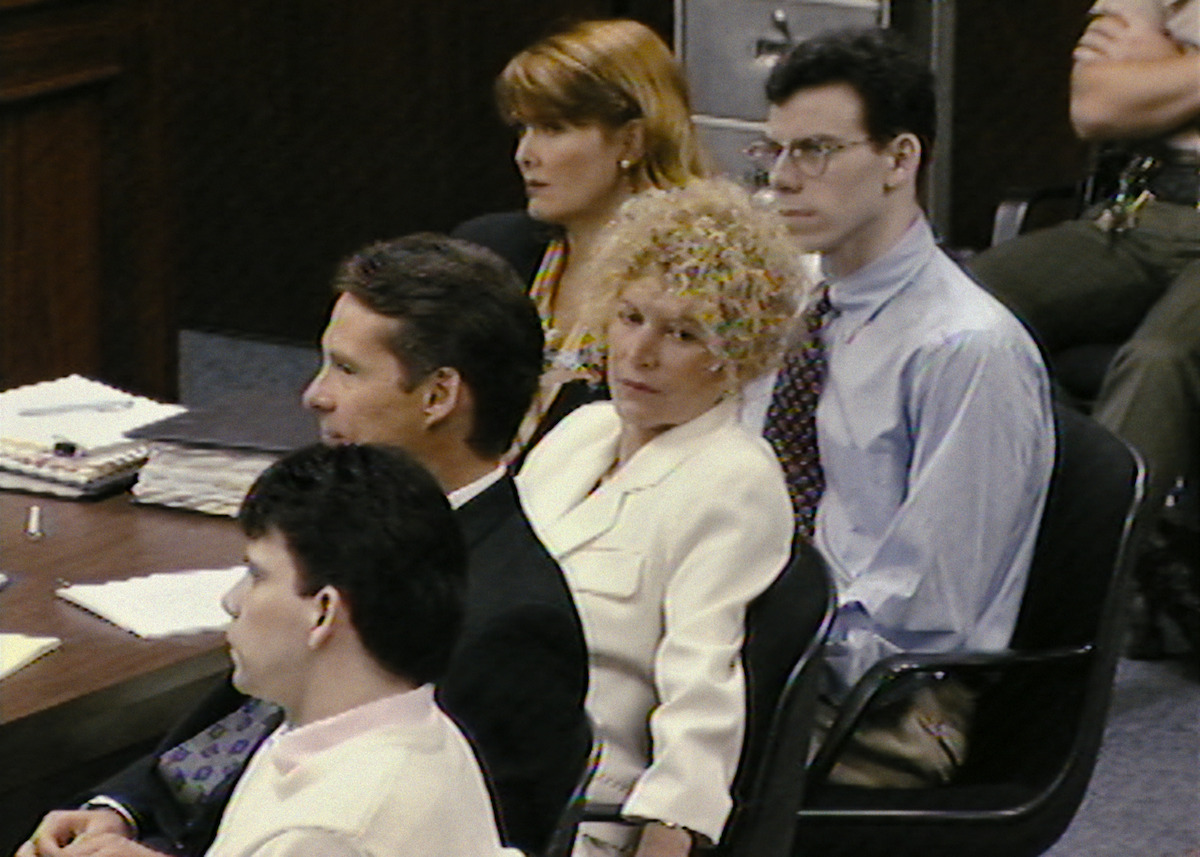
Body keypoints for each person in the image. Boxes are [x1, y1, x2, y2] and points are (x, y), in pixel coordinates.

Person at [20, 234, 589, 857]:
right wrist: (118, 812)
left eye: (346, 369)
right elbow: (238, 729)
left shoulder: (511, 621)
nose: (313, 395)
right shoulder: (351, 534)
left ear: (438, 396)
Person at [742, 28, 1055, 786]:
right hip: (763, 649)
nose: (783, 179)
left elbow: (923, 613)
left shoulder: (968, 350)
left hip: (885, 705)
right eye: (772, 152)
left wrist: (744, 641)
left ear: (899, 158)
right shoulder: (795, 303)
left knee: (609, 755)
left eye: (813, 151)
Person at [22, 443, 518, 857]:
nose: (231, 600)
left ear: (322, 612)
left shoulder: (329, 832)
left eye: (257, 575)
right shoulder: (404, 729)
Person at [516, 179, 809, 857]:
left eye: (682, 332)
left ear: (736, 354)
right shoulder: (579, 432)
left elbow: (702, 687)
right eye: (630, 316)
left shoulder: (735, 478)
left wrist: (670, 830)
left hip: (571, 802)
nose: (639, 352)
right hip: (473, 747)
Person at [967, 0, 1200, 655]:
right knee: (966, 305)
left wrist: (1167, 67)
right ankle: (954, 560)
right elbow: (1098, 104)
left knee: (1157, 358)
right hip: (1146, 207)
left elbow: (1131, 91)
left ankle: (1066, 614)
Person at [453, 18, 709, 452]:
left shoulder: (691, 286)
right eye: (522, 129)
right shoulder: (489, 253)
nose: (524, 155)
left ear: (630, 142)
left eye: (553, 129)